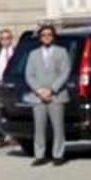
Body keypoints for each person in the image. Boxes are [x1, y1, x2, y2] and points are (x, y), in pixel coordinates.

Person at [23, 24, 71, 166]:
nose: (46, 37)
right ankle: (40, 154)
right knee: (39, 127)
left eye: (49, 35)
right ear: (40, 37)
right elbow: (29, 75)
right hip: (38, 96)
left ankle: (58, 154)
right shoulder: (33, 54)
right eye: (43, 35)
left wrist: (52, 89)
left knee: (58, 127)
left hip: (56, 95)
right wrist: (39, 90)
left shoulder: (61, 52)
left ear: (53, 36)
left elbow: (65, 72)